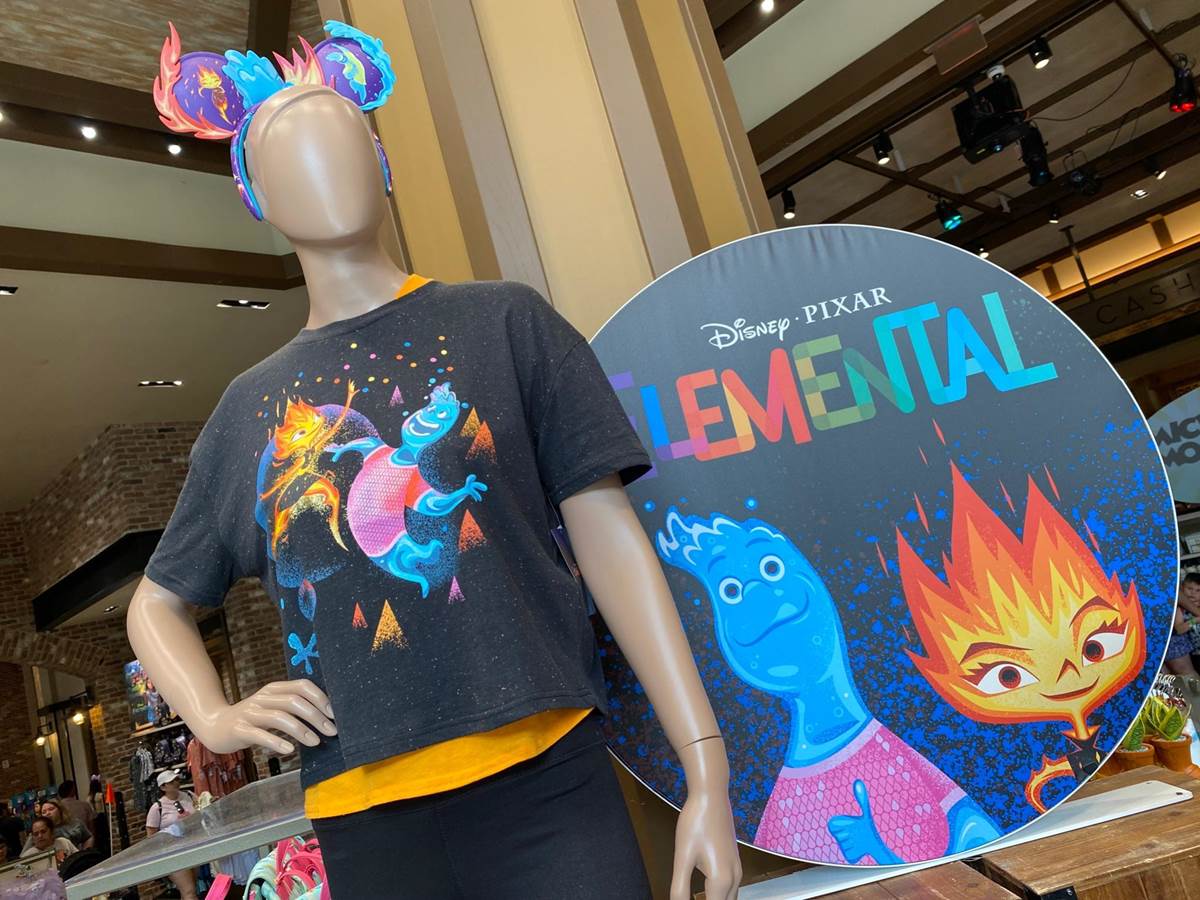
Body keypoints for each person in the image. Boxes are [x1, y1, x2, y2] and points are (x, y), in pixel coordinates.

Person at [145, 772, 198, 900]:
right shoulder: (157, 807)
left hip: (193, 846)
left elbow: (200, 811)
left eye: (176, 779)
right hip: (172, 852)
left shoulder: (189, 796)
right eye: (171, 781)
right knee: (189, 891)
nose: (176, 783)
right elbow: (151, 836)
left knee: (190, 890)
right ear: (163, 787)